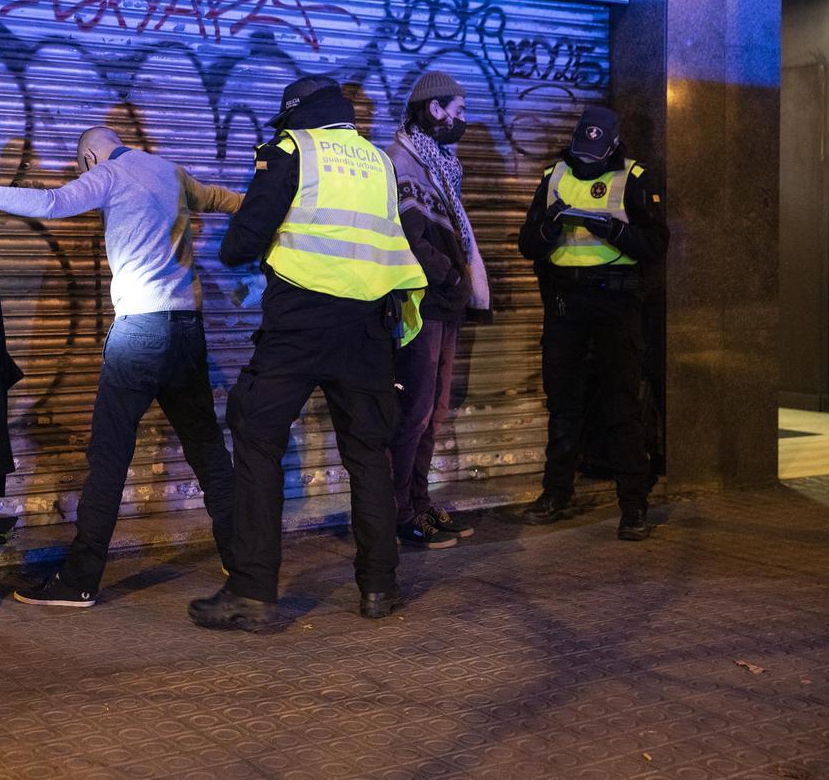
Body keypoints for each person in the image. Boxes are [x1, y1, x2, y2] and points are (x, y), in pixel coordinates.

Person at [0, 127, 242, 606]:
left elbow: (50, 204)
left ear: (89, 157)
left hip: (140, 332)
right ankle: (244, 559)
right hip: (188, 329)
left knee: (108, 457)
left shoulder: (108, 174)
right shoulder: (167, 169)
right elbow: (225, 199)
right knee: (208, 451)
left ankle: (79, 579)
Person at [187, 76, 428, 631]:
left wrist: (236, 248)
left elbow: (245, 238)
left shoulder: (293, 148)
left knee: (256, 433)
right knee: (368, 453)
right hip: (367, 325)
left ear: (299, 115)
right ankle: (379, 586)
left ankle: (253, 592)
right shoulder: (377, 160)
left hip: (300, 322)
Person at [516, 106, 668, 540]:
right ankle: (556, 494)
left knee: (622, 405)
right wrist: (550, 228)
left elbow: (657, 243)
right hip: (566, 302)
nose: (585, 161)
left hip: (616, 304)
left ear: (614, 145)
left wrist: (612, 232)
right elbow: (527, 243)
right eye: (581, 151)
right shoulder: (554, 175)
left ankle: (633, 506)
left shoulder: (635, 177)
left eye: (594, 154)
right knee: (563, 402)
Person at [385, 71, 491, 549]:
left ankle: (421, 504)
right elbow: (410, 235)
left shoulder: (442, 164)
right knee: (415, 412)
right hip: (421, 304)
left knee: (436, 410)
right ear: (433, 109)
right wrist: (449, 275)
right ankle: (399, 512)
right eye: (459, 110)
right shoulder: (403, 162)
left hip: (446, 305)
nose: (463, 121)